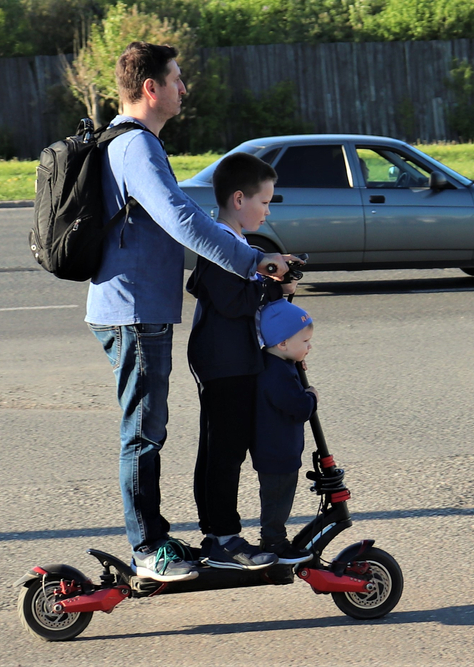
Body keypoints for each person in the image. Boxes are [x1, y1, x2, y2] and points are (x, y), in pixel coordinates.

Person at [85, 41, 294, 583]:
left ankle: (155, 539)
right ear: (150, 88)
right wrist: (254, 260)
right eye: (177, 78)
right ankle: (148, 549)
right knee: (143, 433)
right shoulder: (135, 148)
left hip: (139, 308)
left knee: (149, 429)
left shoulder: (134, 144)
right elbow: (180, 219)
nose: (184, 87)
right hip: (131, 311)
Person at [186, 152, 291, 570]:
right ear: (238, 199)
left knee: (220, 447)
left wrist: (275, 280)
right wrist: (273, 289)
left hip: (232, 360)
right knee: (224, 450)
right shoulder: (221, 243)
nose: (268, 209)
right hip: (223, 362)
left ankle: (217, 531)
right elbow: (231, 301)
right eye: (264, 201)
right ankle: (223, 538)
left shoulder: (238, 244)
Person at [252, 299, 318, 564]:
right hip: (277, 452)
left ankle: (274, 537)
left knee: (278, 498)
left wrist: (296, 363)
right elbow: (298, 407)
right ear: (282, 344)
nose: (309, 346)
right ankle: (274, 541)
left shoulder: (277, 364)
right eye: (304, 342)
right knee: (278, 501)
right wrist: (311, 396)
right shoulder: (275, 374)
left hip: (278, 448)